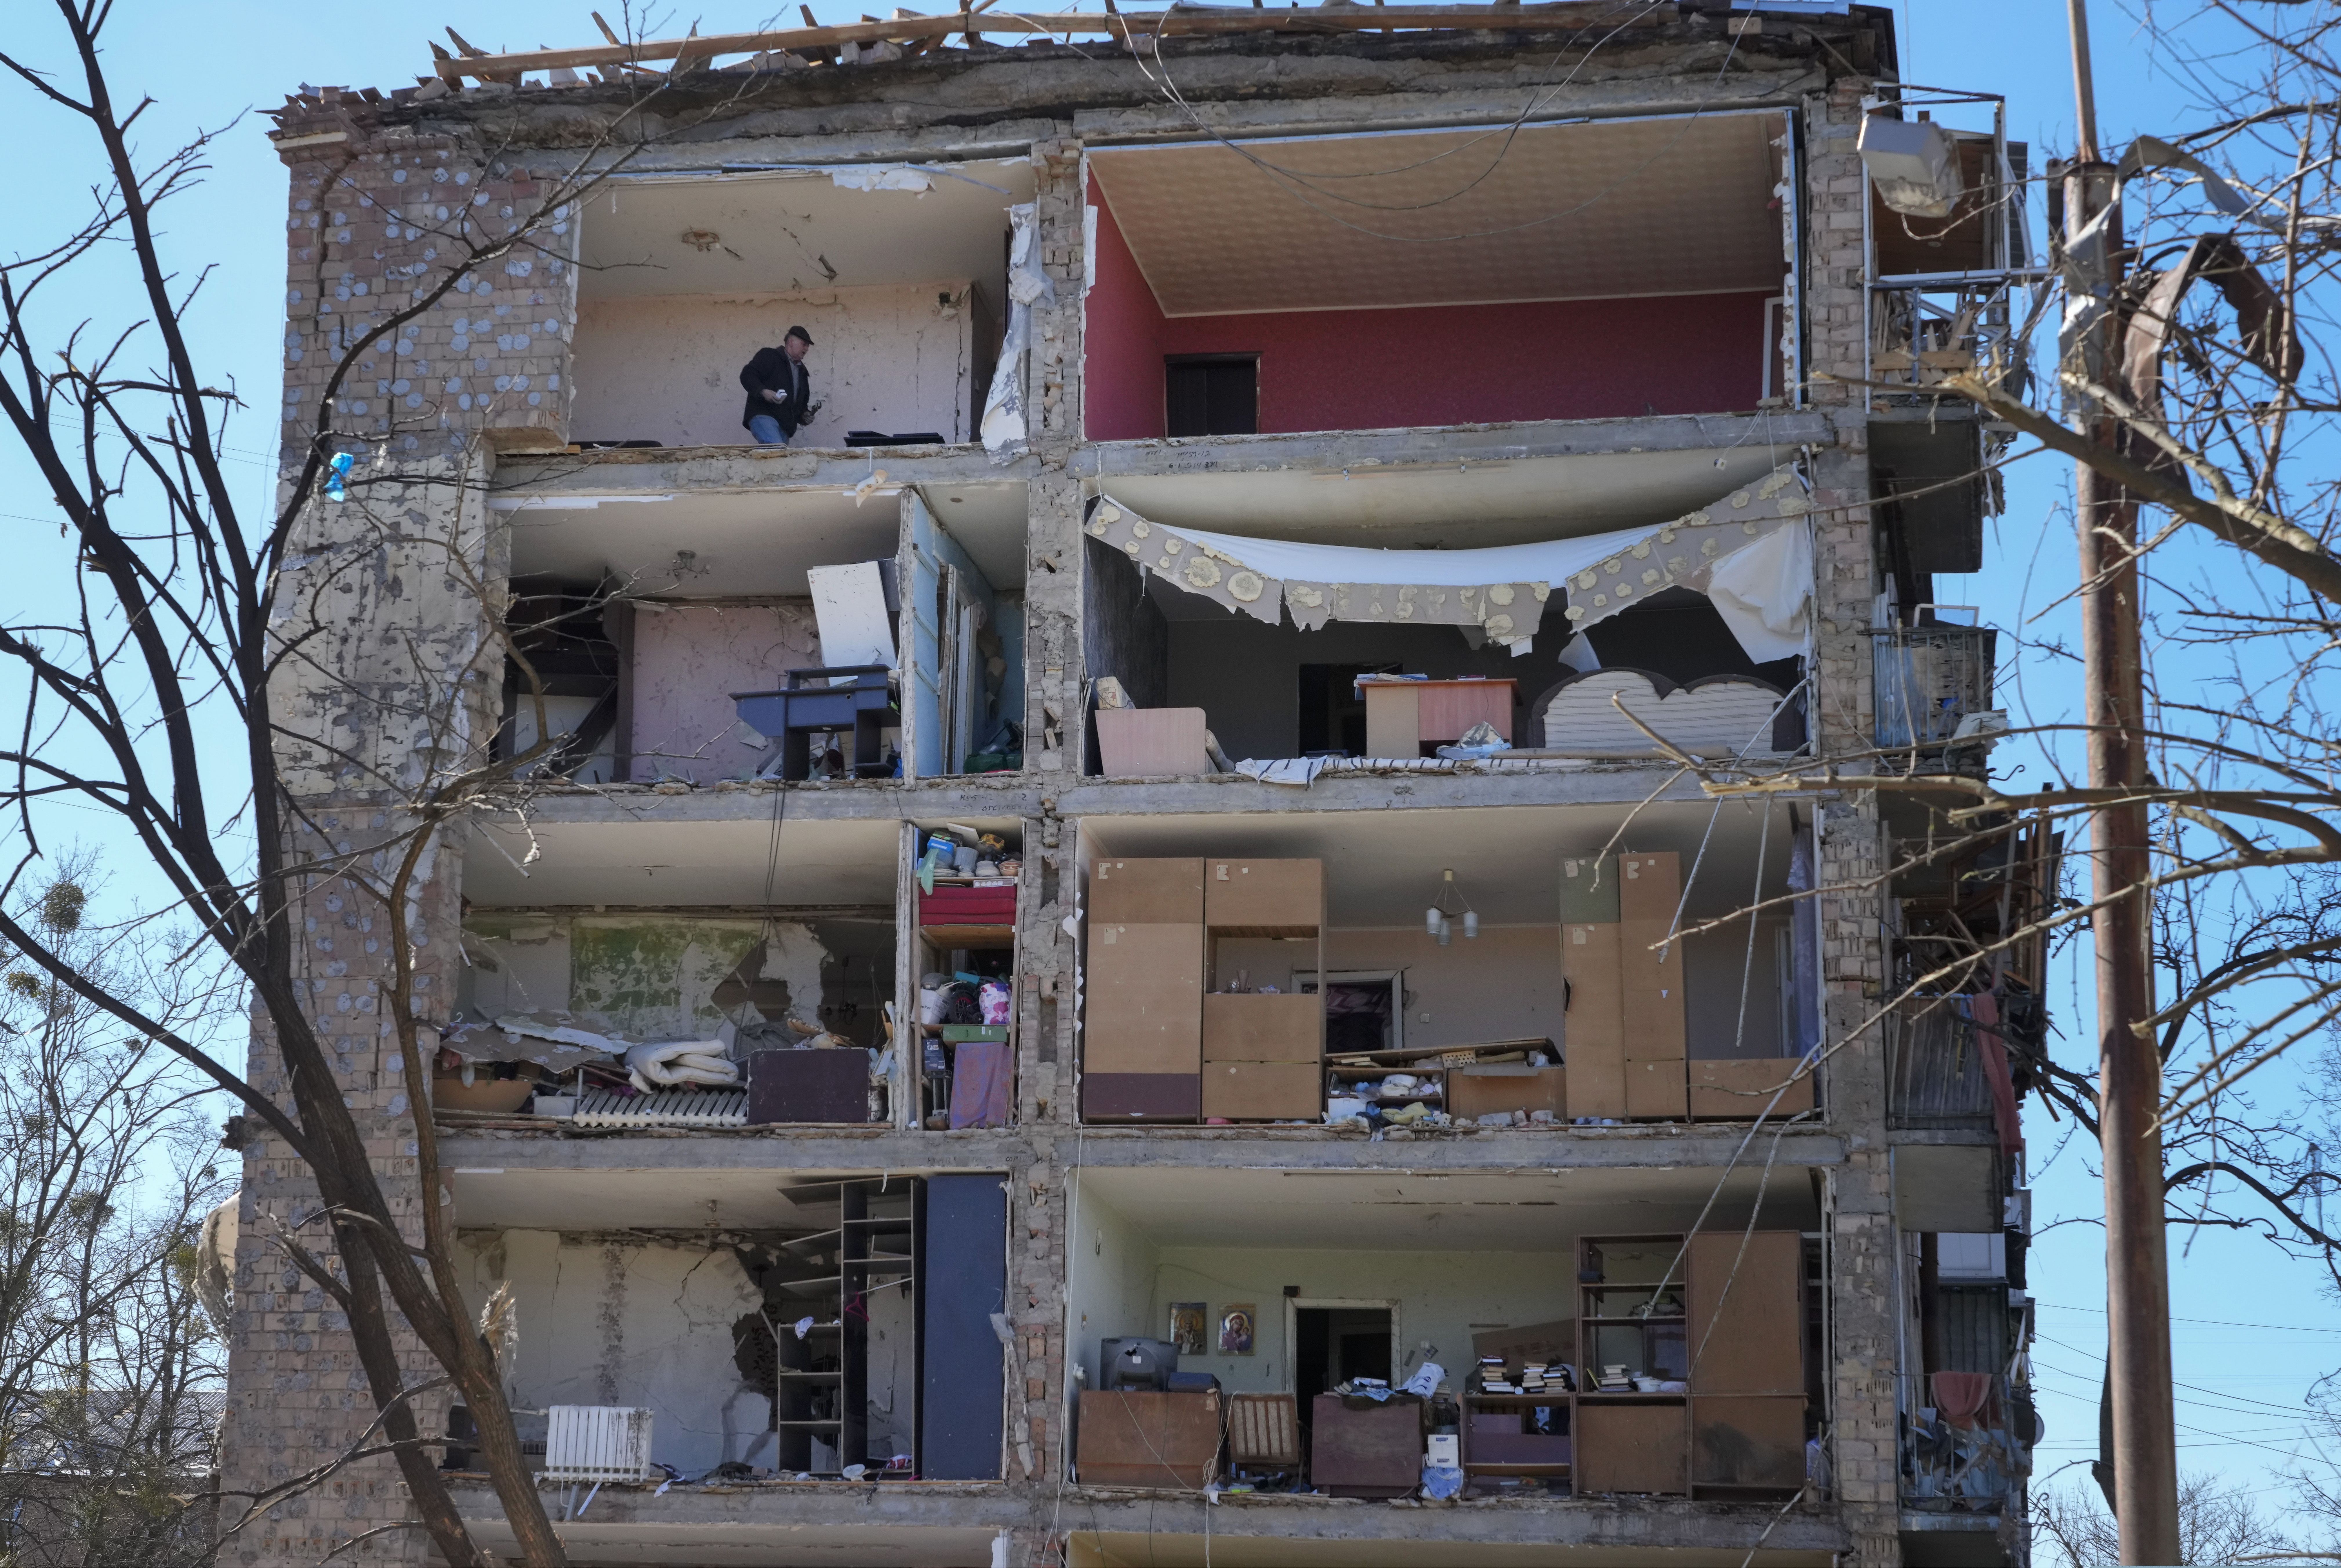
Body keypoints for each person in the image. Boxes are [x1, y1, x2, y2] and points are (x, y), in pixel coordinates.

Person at [740, 325, 819, 444]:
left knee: (778, 458)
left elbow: (800, 405)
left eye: (808, 346)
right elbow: (748, 375)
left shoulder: (802, 372)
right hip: (764, 416)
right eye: (804, 344)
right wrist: (763, 392)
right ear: (791, 342)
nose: (807, 349)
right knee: (776, 451)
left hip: (785, 427)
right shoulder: (770, 356)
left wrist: (805, 416)